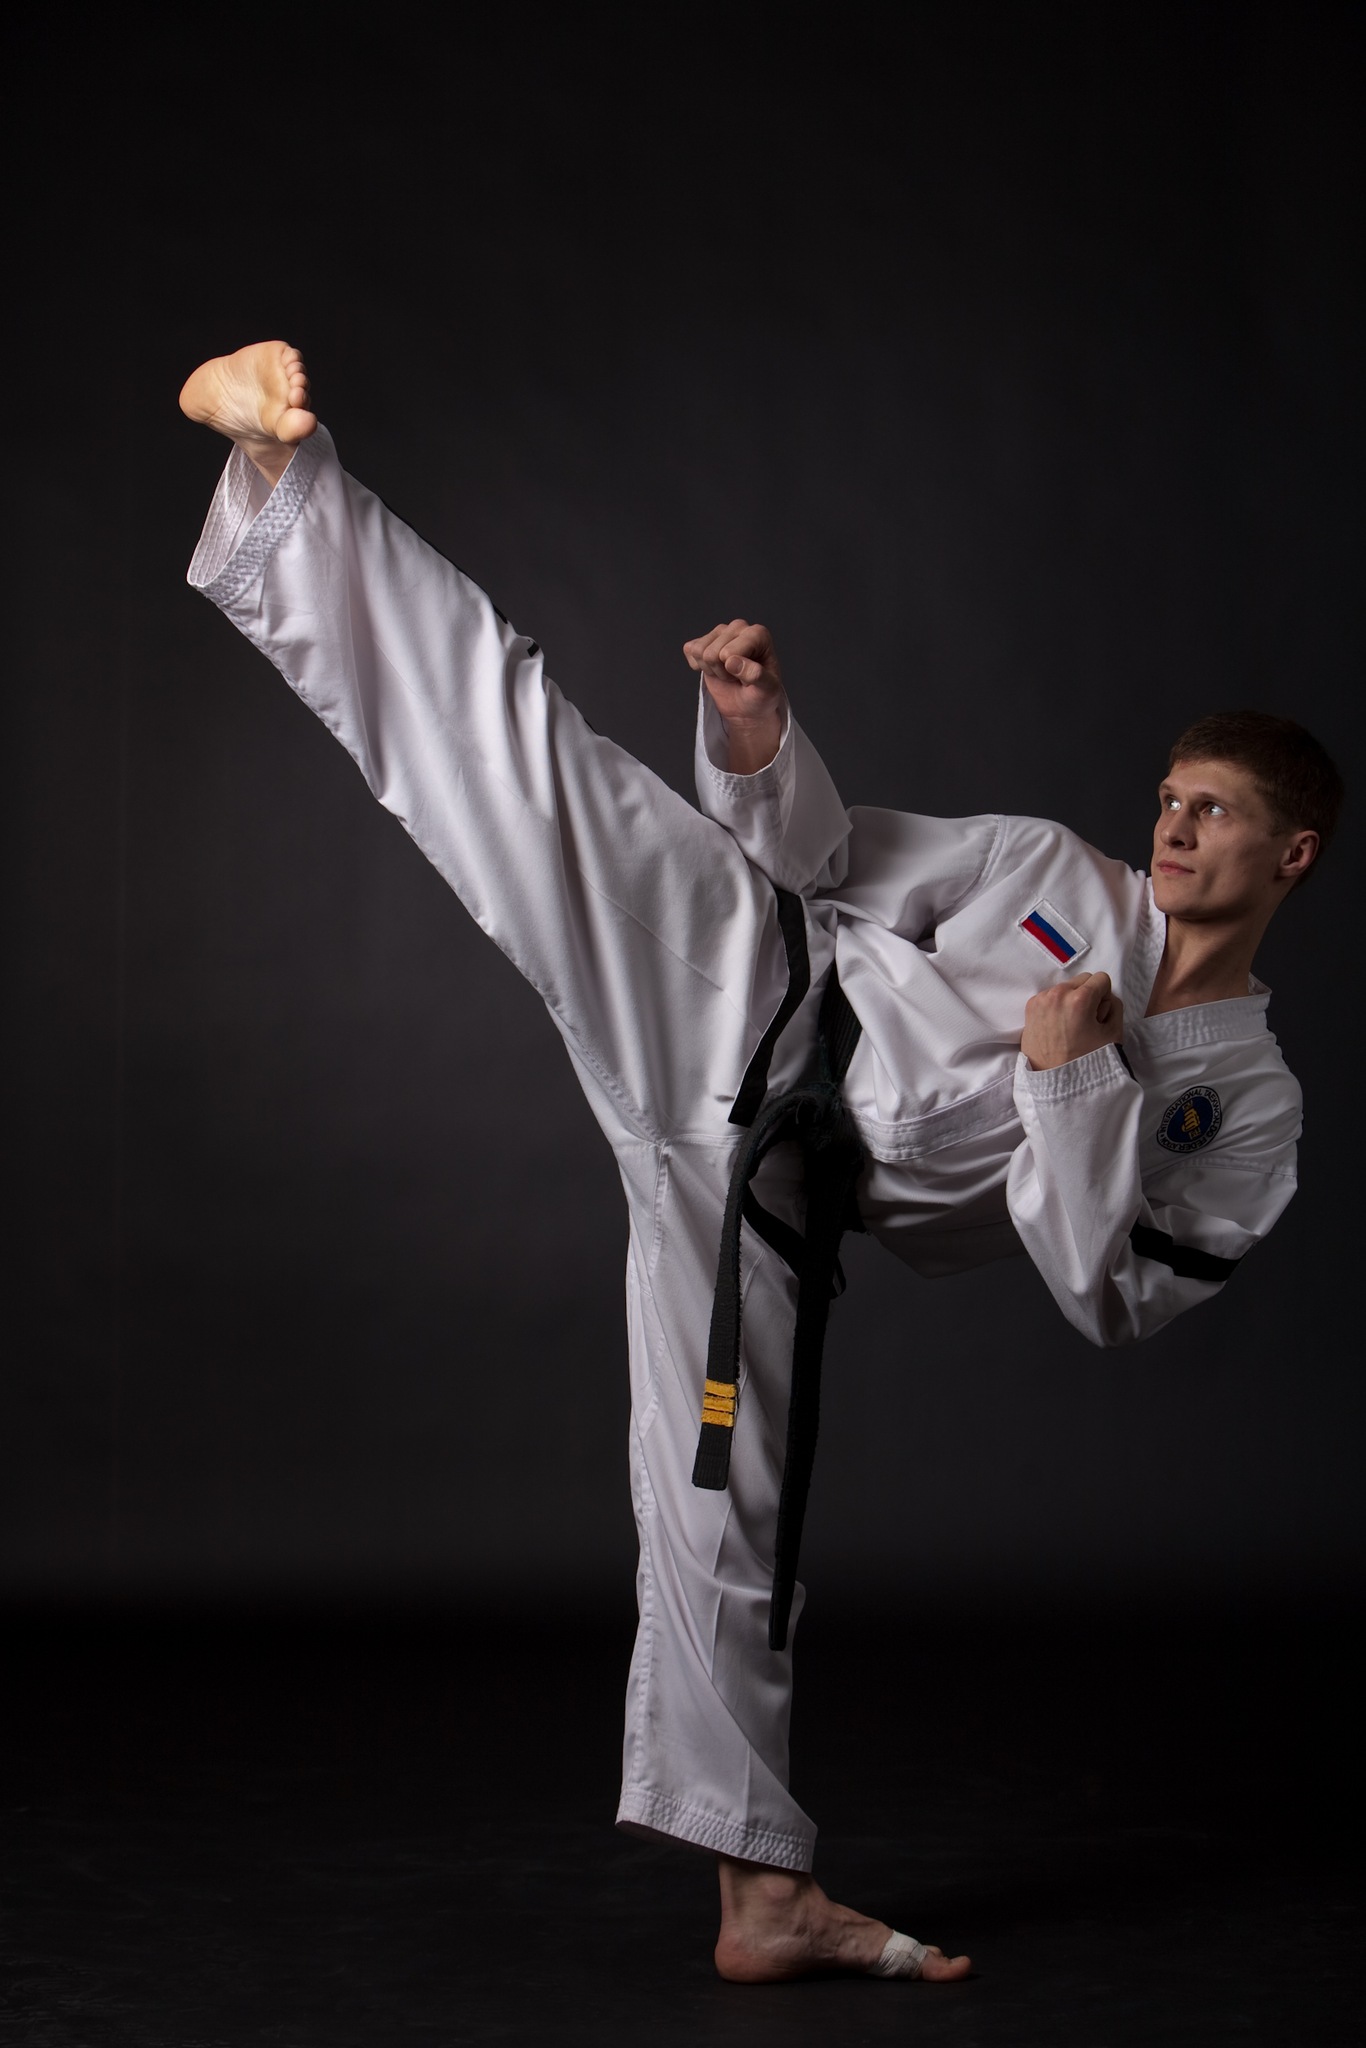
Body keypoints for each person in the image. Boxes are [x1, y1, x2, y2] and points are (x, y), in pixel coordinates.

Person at [178, 340, 1339, 1985]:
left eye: (1211, 811)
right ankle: (283, 477)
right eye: (1167, 794)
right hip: (753, 991)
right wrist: (755, 736)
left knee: (726, 1514)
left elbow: (1108, 1299)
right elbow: (822, 862)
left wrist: (1074, 1084)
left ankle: (760, 1899)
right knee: (525, 754)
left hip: (774, 1200)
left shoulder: (1251, 1108)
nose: (1171, 825)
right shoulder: (1048, 874)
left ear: (1290, 854)